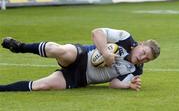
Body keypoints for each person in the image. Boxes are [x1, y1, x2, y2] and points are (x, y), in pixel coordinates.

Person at [0, 28, 160, 92]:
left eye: (147, 59)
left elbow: (113, 84)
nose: (143, 57)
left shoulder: (136, 70)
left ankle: (1, 89)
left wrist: (127, 85)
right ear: (141, 44)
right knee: (58, 50)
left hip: (81, 78)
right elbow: (97, 32)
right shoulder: (125, 38)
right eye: (144, 52)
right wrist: (105, 53)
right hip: (82, 55)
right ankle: (20, 47)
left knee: (41, 86)